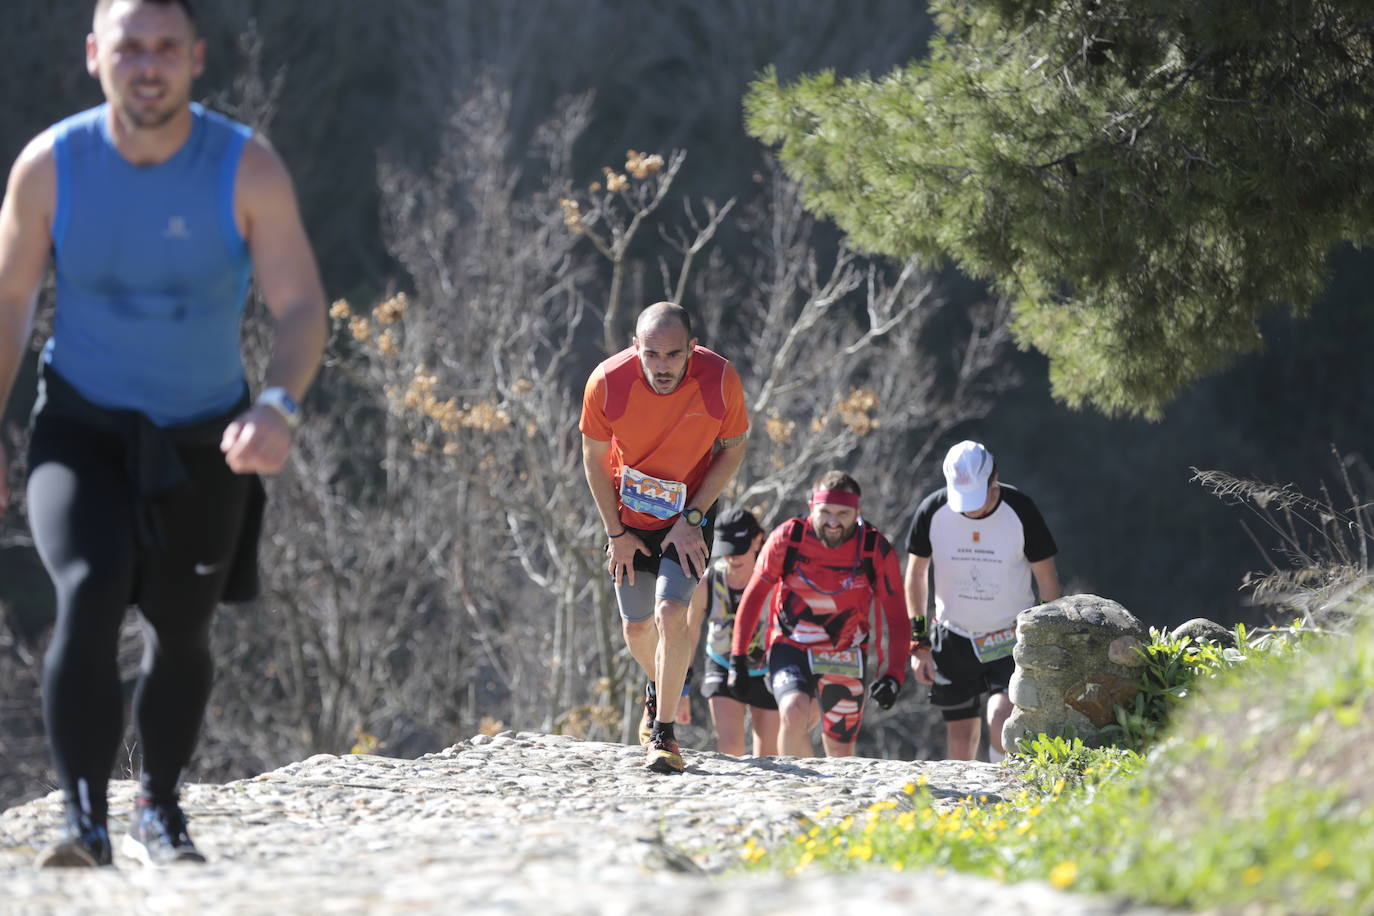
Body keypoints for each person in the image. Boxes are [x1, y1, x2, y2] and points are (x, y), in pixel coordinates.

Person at [0, 0, 327, 866]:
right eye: (128, 46)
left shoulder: (244, 166)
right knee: (89, 584)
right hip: (81, 425)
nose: (147, 64)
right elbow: (8, 303)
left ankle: (160, 806)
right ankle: (83, 820)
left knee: (182, 627)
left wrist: (277, 406)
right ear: (94, 56)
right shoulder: (50, 167)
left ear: (195, 58)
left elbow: (300, 305)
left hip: (206, 438)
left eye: (164, 48)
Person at [579, 302, 749, 774]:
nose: (661, 366)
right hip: (628, 519)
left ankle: (665, 733)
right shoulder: (608, 382)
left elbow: (734, 450)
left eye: (673, 355)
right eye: (651, 354)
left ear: (692, 349)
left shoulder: (719, 380)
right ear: (635, 347)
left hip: (689, 517)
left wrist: (693, 516)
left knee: (671, 612)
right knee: (636, 628)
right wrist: (616, 533)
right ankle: (666, 682)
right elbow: (593, 460)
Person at [728, 471, 907, 758]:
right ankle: (798, 791)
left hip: (844, 652)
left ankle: (831, 800)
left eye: (843, 513)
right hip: (790, 644)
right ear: (812, 506)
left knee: (839, 747)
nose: (834, 522)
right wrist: (737, 657)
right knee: (793, 710)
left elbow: (897, 617)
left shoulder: (874, 549)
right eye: (825, 512)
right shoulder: (788, 538)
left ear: (858, 511)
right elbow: (754, 596)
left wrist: (894, 675)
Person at [905, 441, 1061, 762]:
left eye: (977, 497)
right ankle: (961, 808)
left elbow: (1047, 580)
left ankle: (1002, 798)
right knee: (960, 738)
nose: (970, 509)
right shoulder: (932, 510)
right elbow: (916, 574)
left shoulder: (1020, 509)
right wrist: (918, 641)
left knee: (1000, 718)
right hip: (954, 637)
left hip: (1010, 637)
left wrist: (1047, 641)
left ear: (994, 479)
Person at [687, 507, 779, 757]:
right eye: (726, 551)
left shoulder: (775, 579)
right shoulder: (709, 581)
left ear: (758, 540)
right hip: (721, 662)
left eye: (739, 550)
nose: (733, 558)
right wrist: (682, 687)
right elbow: (690, 630)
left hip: (766, 667)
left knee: (769, 754)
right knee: (730, 748)